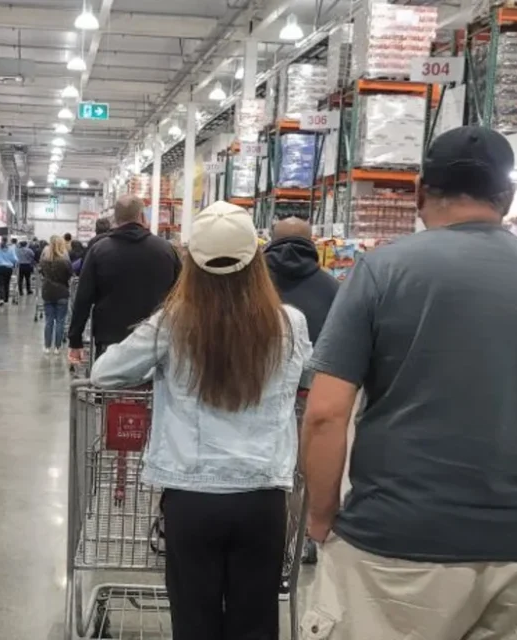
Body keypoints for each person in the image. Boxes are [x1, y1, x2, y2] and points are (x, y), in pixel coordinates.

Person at [302, 126, 517, 639]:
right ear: (507, 197)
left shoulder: (382, 273)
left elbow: (325, 413)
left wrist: (321, 516)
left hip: (397, 542)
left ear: (419, 193)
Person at [91, 201, 313, 640]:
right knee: (256, 622)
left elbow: (104, 372)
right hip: (263, 496)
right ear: (257, 259)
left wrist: (159, 371)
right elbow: (307, 375)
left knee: (194, 621)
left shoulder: (173, 323)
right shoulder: (290, 323)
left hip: (191, 496)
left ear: (192, 262)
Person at [68, 195, 180, 362]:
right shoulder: (167, 250)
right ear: (142, 216)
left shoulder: (99, 251)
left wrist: (75, 340)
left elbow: (83, 298)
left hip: (111, 341)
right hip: (156, 342)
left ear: (115, 219)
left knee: (108, 379)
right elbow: (181, 296)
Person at [264, 216, 340, 387]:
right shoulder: (332, 287)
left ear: (272, 241)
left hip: (257, 384)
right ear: (311, 242)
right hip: (311, 386)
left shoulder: (252, 284)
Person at [39, 236, 72, 354]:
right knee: (60, 321)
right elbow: (69, 275)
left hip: (47, 292)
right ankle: (58, 347)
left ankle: (47, 346)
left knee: (49, 320)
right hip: (62, 292)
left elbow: (42, 273)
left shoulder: (44, 261)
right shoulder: (65, 262)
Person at [0, 238, 17, 306]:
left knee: (1, 283)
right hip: (8, 268)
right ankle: (6, 299)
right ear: (7, 241)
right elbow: (15, 259)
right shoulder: (11, 250)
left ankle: (2, 298)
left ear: (1, 241)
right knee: (7, 283)